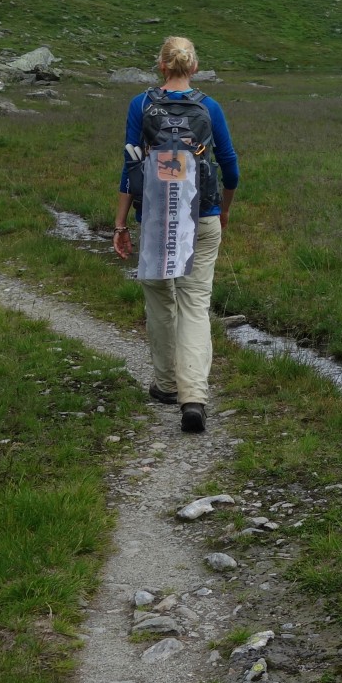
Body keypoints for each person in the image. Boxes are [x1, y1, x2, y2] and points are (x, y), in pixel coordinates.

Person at [111, 36, 239, 433]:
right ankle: (194, 397)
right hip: (202, 216)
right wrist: (223, 211)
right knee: (195, 304)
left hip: (155, 220)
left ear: (161, 65)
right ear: (194, 67)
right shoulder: (209, 107)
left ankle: (167, 385)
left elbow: (130, 167)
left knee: (159, 297)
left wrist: (120, 224)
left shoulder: (141, 104)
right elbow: (230, 166)